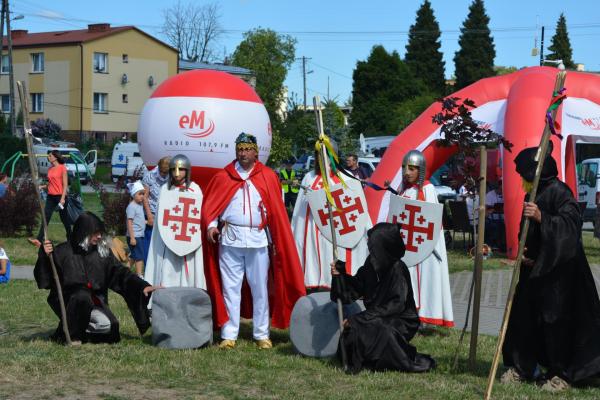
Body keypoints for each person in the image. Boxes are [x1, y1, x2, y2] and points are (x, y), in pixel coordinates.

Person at [501, 145, 600, 391]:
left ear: (535, 172)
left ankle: (561, 373)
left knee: (557, 322)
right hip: (535, 269)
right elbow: (528, 232)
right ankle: (523, 367)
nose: (522, 180)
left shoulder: (560, 192)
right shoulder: (532, 194)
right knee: (523, 319)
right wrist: (525, 252)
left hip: (561, 274)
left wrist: (542, 218)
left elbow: (569, 229)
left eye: (524, 174)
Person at [202, 132, 305, 349]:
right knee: (230, 288)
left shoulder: (267, 176)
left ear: (255, 151)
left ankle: (261, 334)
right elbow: (211, 208)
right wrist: (211, 226)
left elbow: (276, 210)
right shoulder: (224, 177)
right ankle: (229, 334)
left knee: (260, 288)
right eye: (240, 149)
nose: (243, 153)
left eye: (247, 149)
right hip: (230, 239)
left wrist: (277, 238)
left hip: (258, 240)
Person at [33, 212, 159, 344]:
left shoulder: (101, 252)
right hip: (68, 302)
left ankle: (75, 330)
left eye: (100, 233)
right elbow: (46, 280)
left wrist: (141, 285)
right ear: (83, 232)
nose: (99, 236)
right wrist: (45, 256)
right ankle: (72, 336)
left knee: (110, 327)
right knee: (81, 296)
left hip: (95, 302)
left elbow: (120, 273)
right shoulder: (63, 251)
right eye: (95, 233)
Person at [330, 222, 436, 374]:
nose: (369, 248)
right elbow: (355, 288)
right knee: (358, 328)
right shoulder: (372, 264)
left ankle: (392, 360)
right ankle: (367, 360)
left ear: (384, 246)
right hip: (378, 316)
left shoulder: (398, 268)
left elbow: (396, 305)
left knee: (380, 328)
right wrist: (340, 275)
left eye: (373, 245)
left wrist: (362, 317)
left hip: (402, 320)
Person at [389, 150, 454, 327]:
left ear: (421, 170)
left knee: (424, 280)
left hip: (422, 245)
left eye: (412, 168)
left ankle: (423, 316)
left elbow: (431, 223)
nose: (407, 172)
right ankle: (406, 313)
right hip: (406, 244)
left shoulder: (427, 189)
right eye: (404, 168)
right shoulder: (404, 189)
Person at [291, 150, 370, 289]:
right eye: (318, 155)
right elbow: (300, 209)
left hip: (340, 229)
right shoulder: (309, 177)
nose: (321, 159)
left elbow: (357, 204)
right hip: (315, 229)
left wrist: (367, 228)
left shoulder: (345, 177)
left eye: (325, 155)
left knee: (336, 260)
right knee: (319, 259)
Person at [144, 155, 206, 289]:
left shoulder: (195, 189)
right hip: (168, 239)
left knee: (187, 268)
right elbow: (162, 218)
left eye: (181, 169)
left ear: (187, 171)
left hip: (188, 239)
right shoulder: (165, 190)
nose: (177, 173)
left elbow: (198, 217)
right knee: (167, 268)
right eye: (174, 169)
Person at [29, 150, 71, 247]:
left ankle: (70, 237)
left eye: (50, 156)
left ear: (55, 157)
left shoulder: (62, 168)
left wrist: (63, 198)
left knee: (64, 219)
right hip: (51, 197)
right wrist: (42, 187)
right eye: (48, 156)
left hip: (61, 196)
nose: (48, 157)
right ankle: (39, 239)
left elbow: (65, 185)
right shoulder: (50, 169)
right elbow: (51, 183)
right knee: (46, 217)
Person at [142, 156, 171, 264]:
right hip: (152, 211)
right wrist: (149, 215)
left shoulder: (171, 176)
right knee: (149, 240)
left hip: (165, 212)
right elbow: (145, 197)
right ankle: (147, 264)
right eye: (162, 172)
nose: (163, 175)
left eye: (166, 172)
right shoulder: (149, 176)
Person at [126, 181, 146, 277]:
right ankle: (139, 275)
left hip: (139, 235)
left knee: (134, 255)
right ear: (133, 194)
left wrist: (145, 222)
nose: (142, 196)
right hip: (134, 235)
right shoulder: (131, 207)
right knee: (139, 256)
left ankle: (125, 271)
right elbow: (129, 223)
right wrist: (132, 238)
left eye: (143, 194)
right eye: (140, 194)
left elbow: (138, 219)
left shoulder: (139, 205)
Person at [485, 180, 505, 251]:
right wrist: (492, 210)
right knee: (496, 225)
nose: (502, 191)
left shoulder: (507, 194)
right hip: (491, 219)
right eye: (501, 189)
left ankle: (503, 245)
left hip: (504, 219)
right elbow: (485, 212)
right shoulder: (490, 195)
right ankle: (494, 244)